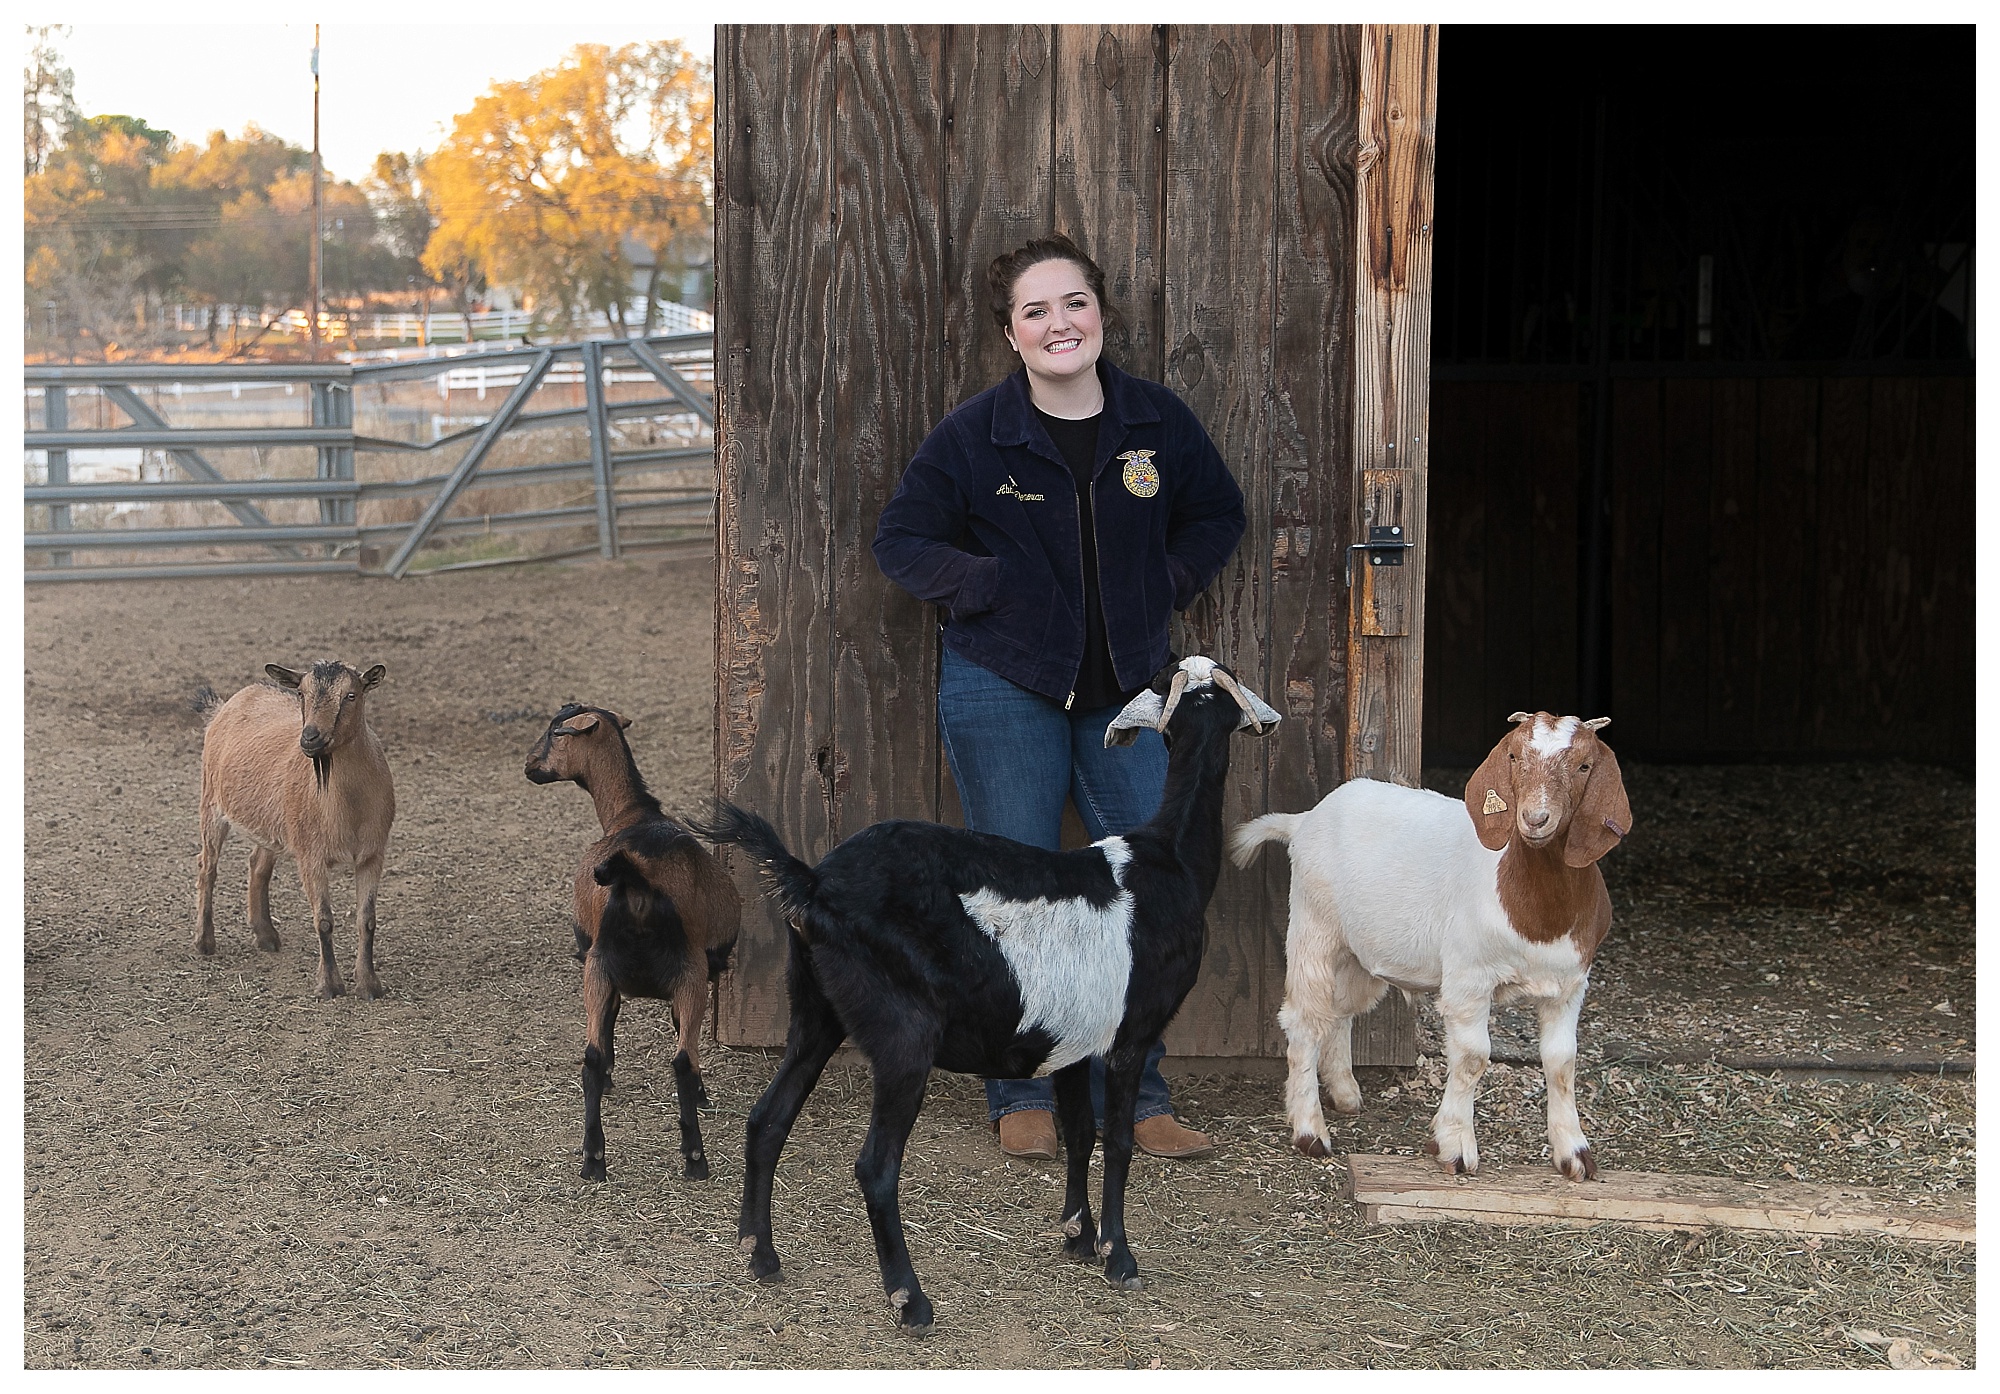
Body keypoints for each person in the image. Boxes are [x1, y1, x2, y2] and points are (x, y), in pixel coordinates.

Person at [871, 232, 1246, 1161]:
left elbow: (1218, 512)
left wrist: (1166, 584)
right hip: (1006, 684)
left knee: (1148, 895)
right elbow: (903, 540)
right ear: (1011, 333)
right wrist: (988, 586)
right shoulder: (974, 436)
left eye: (1072, 303)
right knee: (1021, 889)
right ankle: (1019, 1093)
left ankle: (1139, 1095)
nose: (1058, 323)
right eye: (1035, 311)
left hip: (1127, 693)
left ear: (1101, 313)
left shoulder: (1155, 423)